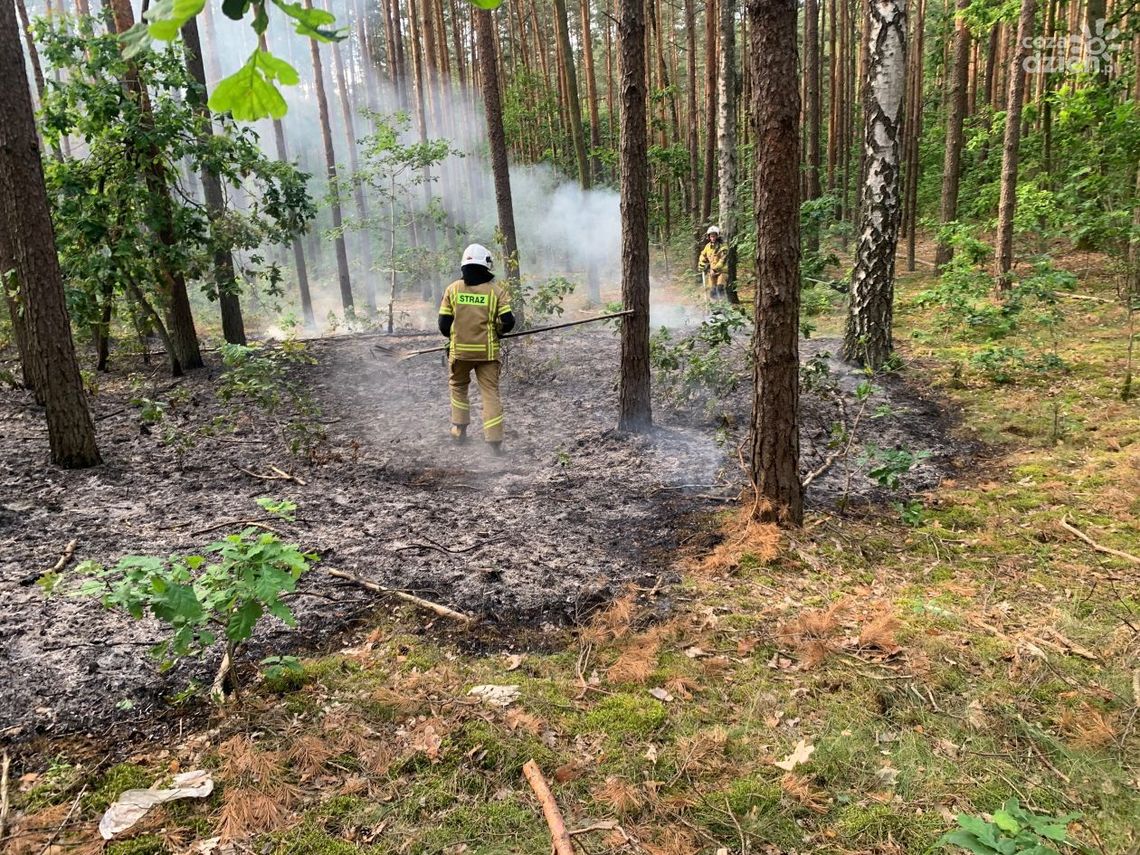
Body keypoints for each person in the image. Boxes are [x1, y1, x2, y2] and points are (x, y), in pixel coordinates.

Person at [438, 244, 515, 454]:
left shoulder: (452, 290)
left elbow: (444, 326)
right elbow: (508, 322)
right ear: (486, 265)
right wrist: (497, 331)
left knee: (458, 387)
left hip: (460, 353)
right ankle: (495, 441)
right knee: (490, 393)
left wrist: (454, 337)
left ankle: (458, 429)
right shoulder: (496, 292)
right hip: (487, 354)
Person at [698, 225, 728, 301]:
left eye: (714, 236)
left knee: (720, 288)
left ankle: (723, 307)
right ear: (709, 237)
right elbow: (703, 255)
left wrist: (714, 269)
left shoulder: (723, 246)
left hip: (721, 272)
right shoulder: (707, 246)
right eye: (711, 236)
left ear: (717, 236)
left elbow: (723, 259)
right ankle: (714, 308)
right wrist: (701, 263)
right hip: (711, 272)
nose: (713, 238)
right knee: (712, 290)